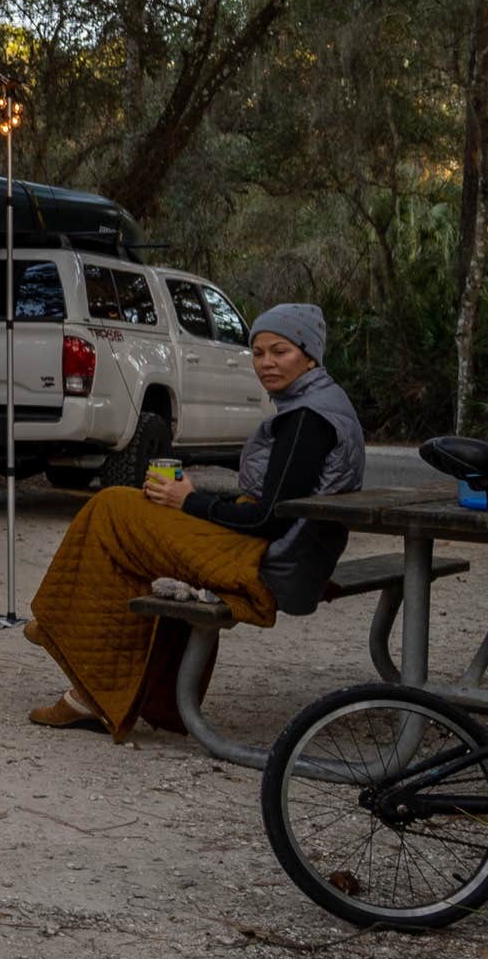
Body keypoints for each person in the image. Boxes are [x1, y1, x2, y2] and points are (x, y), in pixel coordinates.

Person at [20, 303, 368, 734]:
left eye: (280, 352)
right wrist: (188, 499)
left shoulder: (307, 420)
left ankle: (62, 635)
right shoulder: (320, 402)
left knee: (112, 508)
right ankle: (95, 681)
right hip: (289, 548)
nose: (266, 363)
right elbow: (277, 506)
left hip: (271, 558)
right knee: (132, 520)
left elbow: (267, 520)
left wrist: (189, 501)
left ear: (310, 355)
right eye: (258, 353)